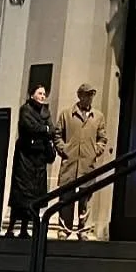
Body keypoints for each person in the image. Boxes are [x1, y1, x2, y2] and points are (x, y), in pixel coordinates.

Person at [57, 83, 109, 238]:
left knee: (85, 198)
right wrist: (64, 149)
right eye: (87, 94)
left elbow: (103, 138)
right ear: (80, 95)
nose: (89, 98)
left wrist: (96, 150)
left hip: (88, 163)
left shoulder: (98, 116)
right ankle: (64, 229)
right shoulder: (66, 114)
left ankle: (83, 229)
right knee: (66, 196)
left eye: (91, 95)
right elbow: (57, 134)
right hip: (70, 163)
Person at [8, 84, 60, 238]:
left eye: (44, 94)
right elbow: (30, 127)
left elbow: (52, 129)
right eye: (40, 93)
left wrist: (44, 130)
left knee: (36, 194)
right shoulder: (25, 109)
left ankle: (28, 228)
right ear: (32, 95)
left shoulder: (46, 111)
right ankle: (12, 227)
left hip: (40, 159)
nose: (43, 96)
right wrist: (43, 129)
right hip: (25, 158)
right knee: (21, 193)